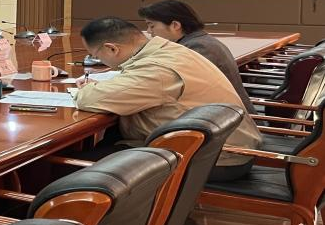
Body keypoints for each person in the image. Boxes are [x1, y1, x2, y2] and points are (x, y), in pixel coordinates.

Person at [74, 17, 263, 182]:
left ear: (112, 48)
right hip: (221, 147)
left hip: (214, 159)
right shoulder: (171, 51)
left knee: (74, 168)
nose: (97, 60)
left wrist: (87, 88)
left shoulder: (157, 69)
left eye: (96, 56)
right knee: (109, 141)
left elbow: (89, 99)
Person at [138, 0, 254, 111]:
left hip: (229, 118)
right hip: (220, 113)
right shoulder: (201, 41)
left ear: (175, 25)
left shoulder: (198, 48)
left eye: (152, 26)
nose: (149, 31)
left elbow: (167, 84)